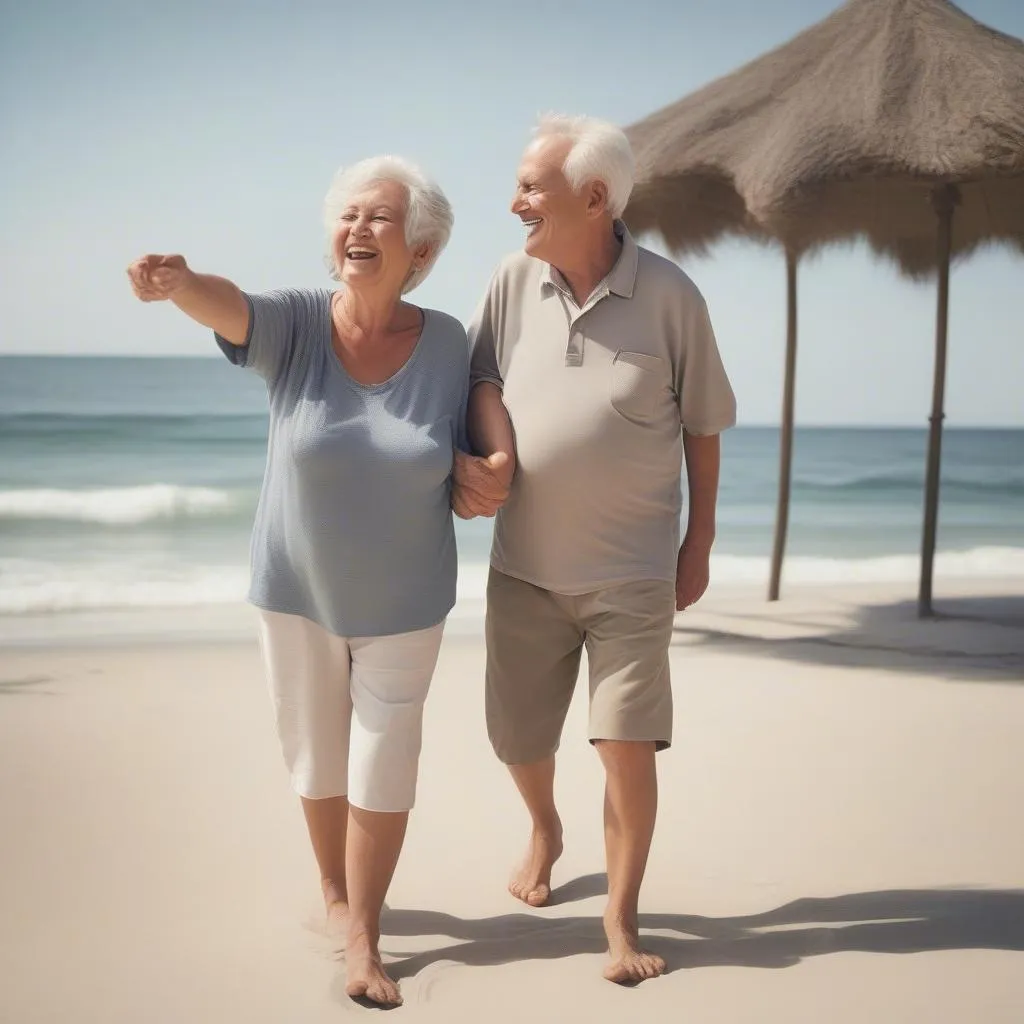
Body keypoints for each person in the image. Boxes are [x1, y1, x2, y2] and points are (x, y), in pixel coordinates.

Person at [126, 156, 467, 1008]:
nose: (357, 228)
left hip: (407, 599)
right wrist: (180, 282)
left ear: (419, 250)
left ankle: (364, 937)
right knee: (316, 757)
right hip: (297, 591)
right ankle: (334, 890)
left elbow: (484, 409)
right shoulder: (296, 325)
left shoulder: (450, 341)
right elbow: (228, 305)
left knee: (387, 760)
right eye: (348, 215)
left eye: (380, 217)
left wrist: (490, 464)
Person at [456, 115, 736, 985]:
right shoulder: (510, 281)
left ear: (593, 197)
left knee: (626, 744)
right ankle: (544, 824)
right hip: (525, 570)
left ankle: (620, 921)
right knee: (517, 738)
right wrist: (488, 454)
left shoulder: (672, 295)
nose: (515, 204)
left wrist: (699, 543)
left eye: (531, 189)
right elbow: (476, 380)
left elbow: (703, 426)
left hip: (633, 575)